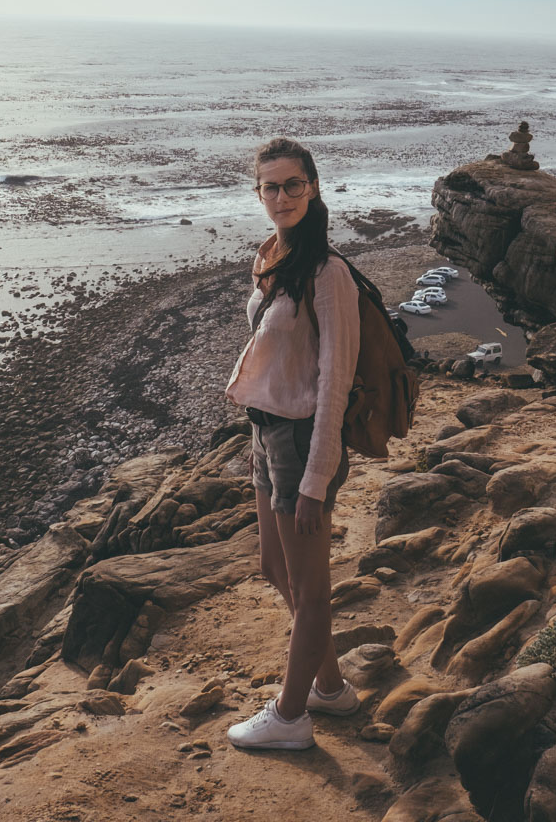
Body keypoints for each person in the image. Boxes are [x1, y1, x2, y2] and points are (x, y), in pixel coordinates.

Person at [224, 136, 362, 751]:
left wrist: (315, 477)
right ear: (260, 193)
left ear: (313, 187)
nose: (282, 196)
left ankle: (289, 718)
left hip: (303, 438)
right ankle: (329, 688)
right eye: (270, 187)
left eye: (293, 185)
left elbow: (336, 377)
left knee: (309, 589)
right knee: (273, 567)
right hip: (266, 429)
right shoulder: (273, 256)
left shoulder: (328, 274)